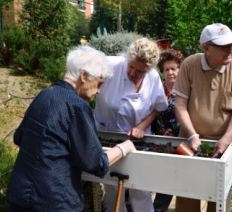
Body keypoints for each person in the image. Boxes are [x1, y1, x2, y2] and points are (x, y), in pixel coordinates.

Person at [7, 45, 136, 212]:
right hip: (54, 200)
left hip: (21, 195)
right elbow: (95, 163)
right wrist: (124, 147)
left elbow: (19, 137)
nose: (99, 92)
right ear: (84, 76)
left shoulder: (44, 94)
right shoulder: (77, 106)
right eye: (99, 84)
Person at [172, 23, 232, 212]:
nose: (230, 50)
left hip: (225, 143)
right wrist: (192, 135)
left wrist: (225, 140)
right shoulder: (190, 64)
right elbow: (180, 104)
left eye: (231, 44)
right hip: (190, 142)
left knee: (220, 199)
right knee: (188, 193)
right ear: (206, 48)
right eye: (223, 46)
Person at [94, 38, 168, 212]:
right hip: (108, 136)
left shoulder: (153, 77)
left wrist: (142, 126)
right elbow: (84, 80)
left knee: (141, 188)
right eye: (131, 67)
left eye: (140, 71)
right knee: (112, 186)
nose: (133, 73)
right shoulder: (110, 65)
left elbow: (158, 107)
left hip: (138, 140)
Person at [151, 49, 184, 212]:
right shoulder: (157, 89)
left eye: (173, 68)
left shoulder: (186, 90)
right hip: (158, 141)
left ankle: (158, 209)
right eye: (166, 69)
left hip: (179, 143)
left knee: (169, 179)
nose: (170, 72)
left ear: (179, 69)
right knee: (156, 177)